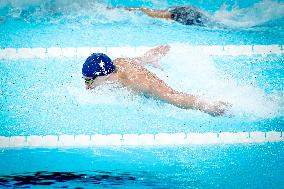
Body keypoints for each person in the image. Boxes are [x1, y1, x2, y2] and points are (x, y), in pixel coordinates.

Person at [82, 45, 228, 116]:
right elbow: (136, 61)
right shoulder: (115, 64)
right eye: (85, 80)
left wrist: (206, 105)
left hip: (156, 90)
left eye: (89, 81)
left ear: (103, 76)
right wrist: (148, 58)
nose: (86, 87)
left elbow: (173, 96)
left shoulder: (137, 81)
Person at [124, 6, 210, 26]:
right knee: (153, 13)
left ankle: (131, 9)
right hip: (189, 12)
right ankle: (131, 9)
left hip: (187, 12)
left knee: (153, 13)